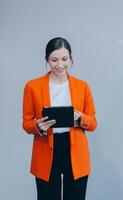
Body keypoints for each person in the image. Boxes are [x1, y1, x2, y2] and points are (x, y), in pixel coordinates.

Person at [22, 37, 97, 200]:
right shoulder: (32, 86)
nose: (60, 65)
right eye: (54, 60)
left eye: (65, 59)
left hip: (75, 150)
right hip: (46, 148)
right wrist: (37, 126)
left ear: (71, 58)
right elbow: (26, 122)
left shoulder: (82, 86)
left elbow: (93, 123)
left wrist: (79, 118)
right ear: (47, 60)